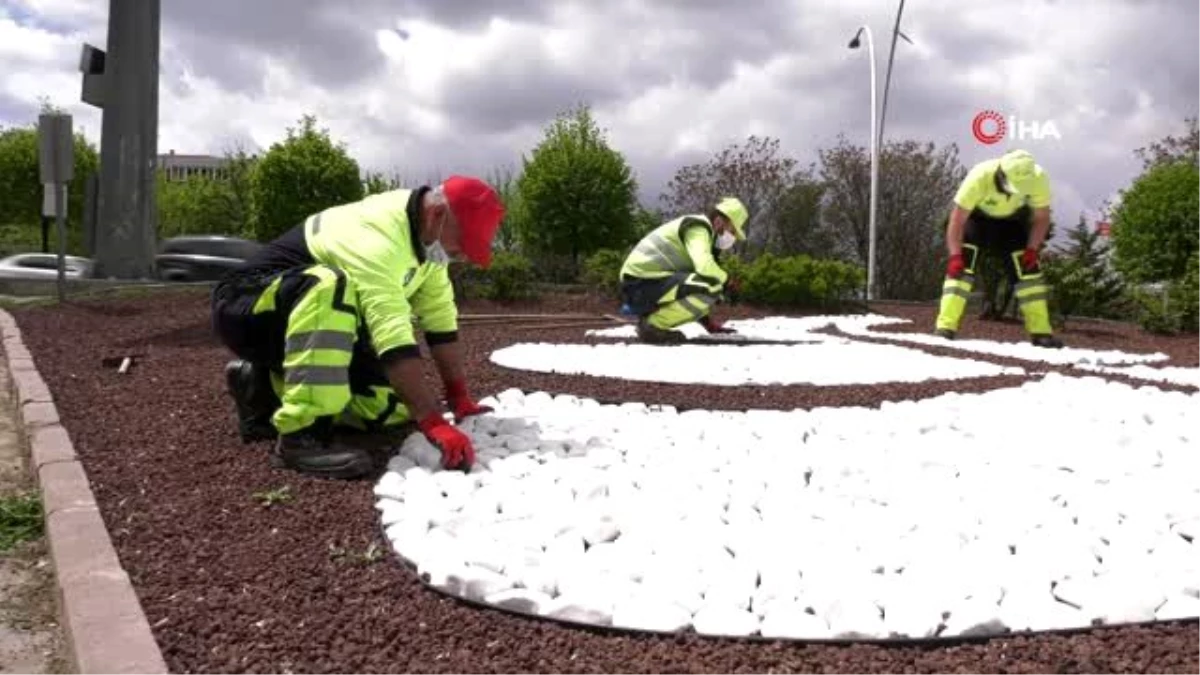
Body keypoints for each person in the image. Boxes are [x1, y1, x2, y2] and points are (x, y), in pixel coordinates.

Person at [211, 176, 505, 479]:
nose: (463, 255)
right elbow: (391, 335)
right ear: (437, 215)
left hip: (305, 322)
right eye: (463, 244)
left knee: (390, 406)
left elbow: (441, 323)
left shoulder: (429, 250)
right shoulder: (378, 236)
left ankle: (260, 389)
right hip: (248, 308)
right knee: (330, 284)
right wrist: (434, 421)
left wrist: (458, 397)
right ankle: (302, 436)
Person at [934, 148, 1063, 348]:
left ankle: (1041, 333)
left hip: (1011, 223)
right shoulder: (980, 175)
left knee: (1029, 273)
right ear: (1002, 175)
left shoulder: (1038, 178)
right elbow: (957, 219)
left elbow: (1041, 218)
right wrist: (955, 256)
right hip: (977, 220)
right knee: (961, 269)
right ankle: (945, 328)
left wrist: (1032, 249)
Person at [618, 197, 749, 344]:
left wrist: (708, 324)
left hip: (643, 284)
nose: (732, 237)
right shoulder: (698, 229)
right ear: (718, 221)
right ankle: (653, 326)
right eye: (732, 230)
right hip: (639, 285)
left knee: (710, 284)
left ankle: (654, 321)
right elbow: (704, 268)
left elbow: (693, 290)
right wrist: (727, 282)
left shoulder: (704, 236)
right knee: (712, 284)